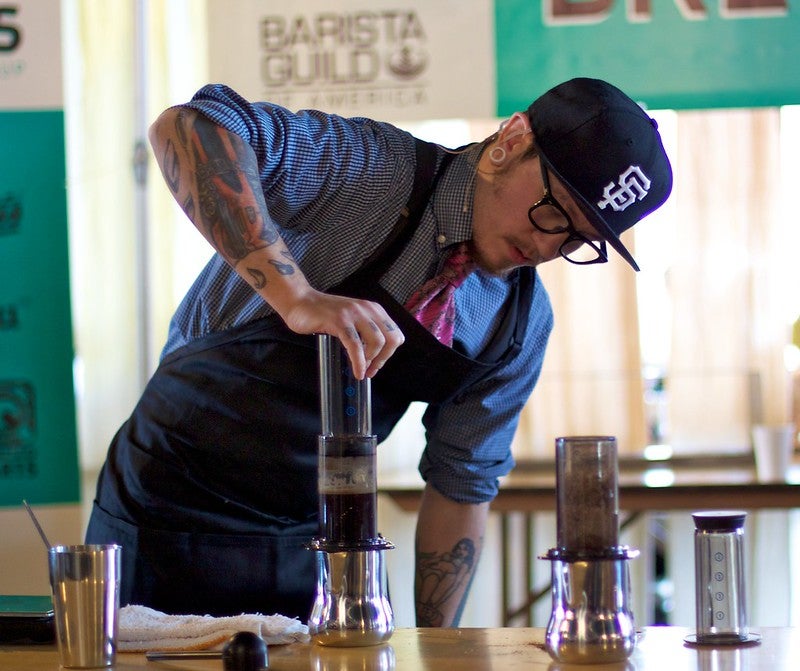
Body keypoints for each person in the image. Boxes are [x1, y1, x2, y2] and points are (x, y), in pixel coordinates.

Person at [86, 77, 672, 626]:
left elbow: (460, 485)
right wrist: (296, 297)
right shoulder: (369, 170)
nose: (547, 245)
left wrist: (438, 645)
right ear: (511, 142)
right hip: (163, 510)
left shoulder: (515, 326)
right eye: (552, 212)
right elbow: (189, 127)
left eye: (577, 240)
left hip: (318, 543)